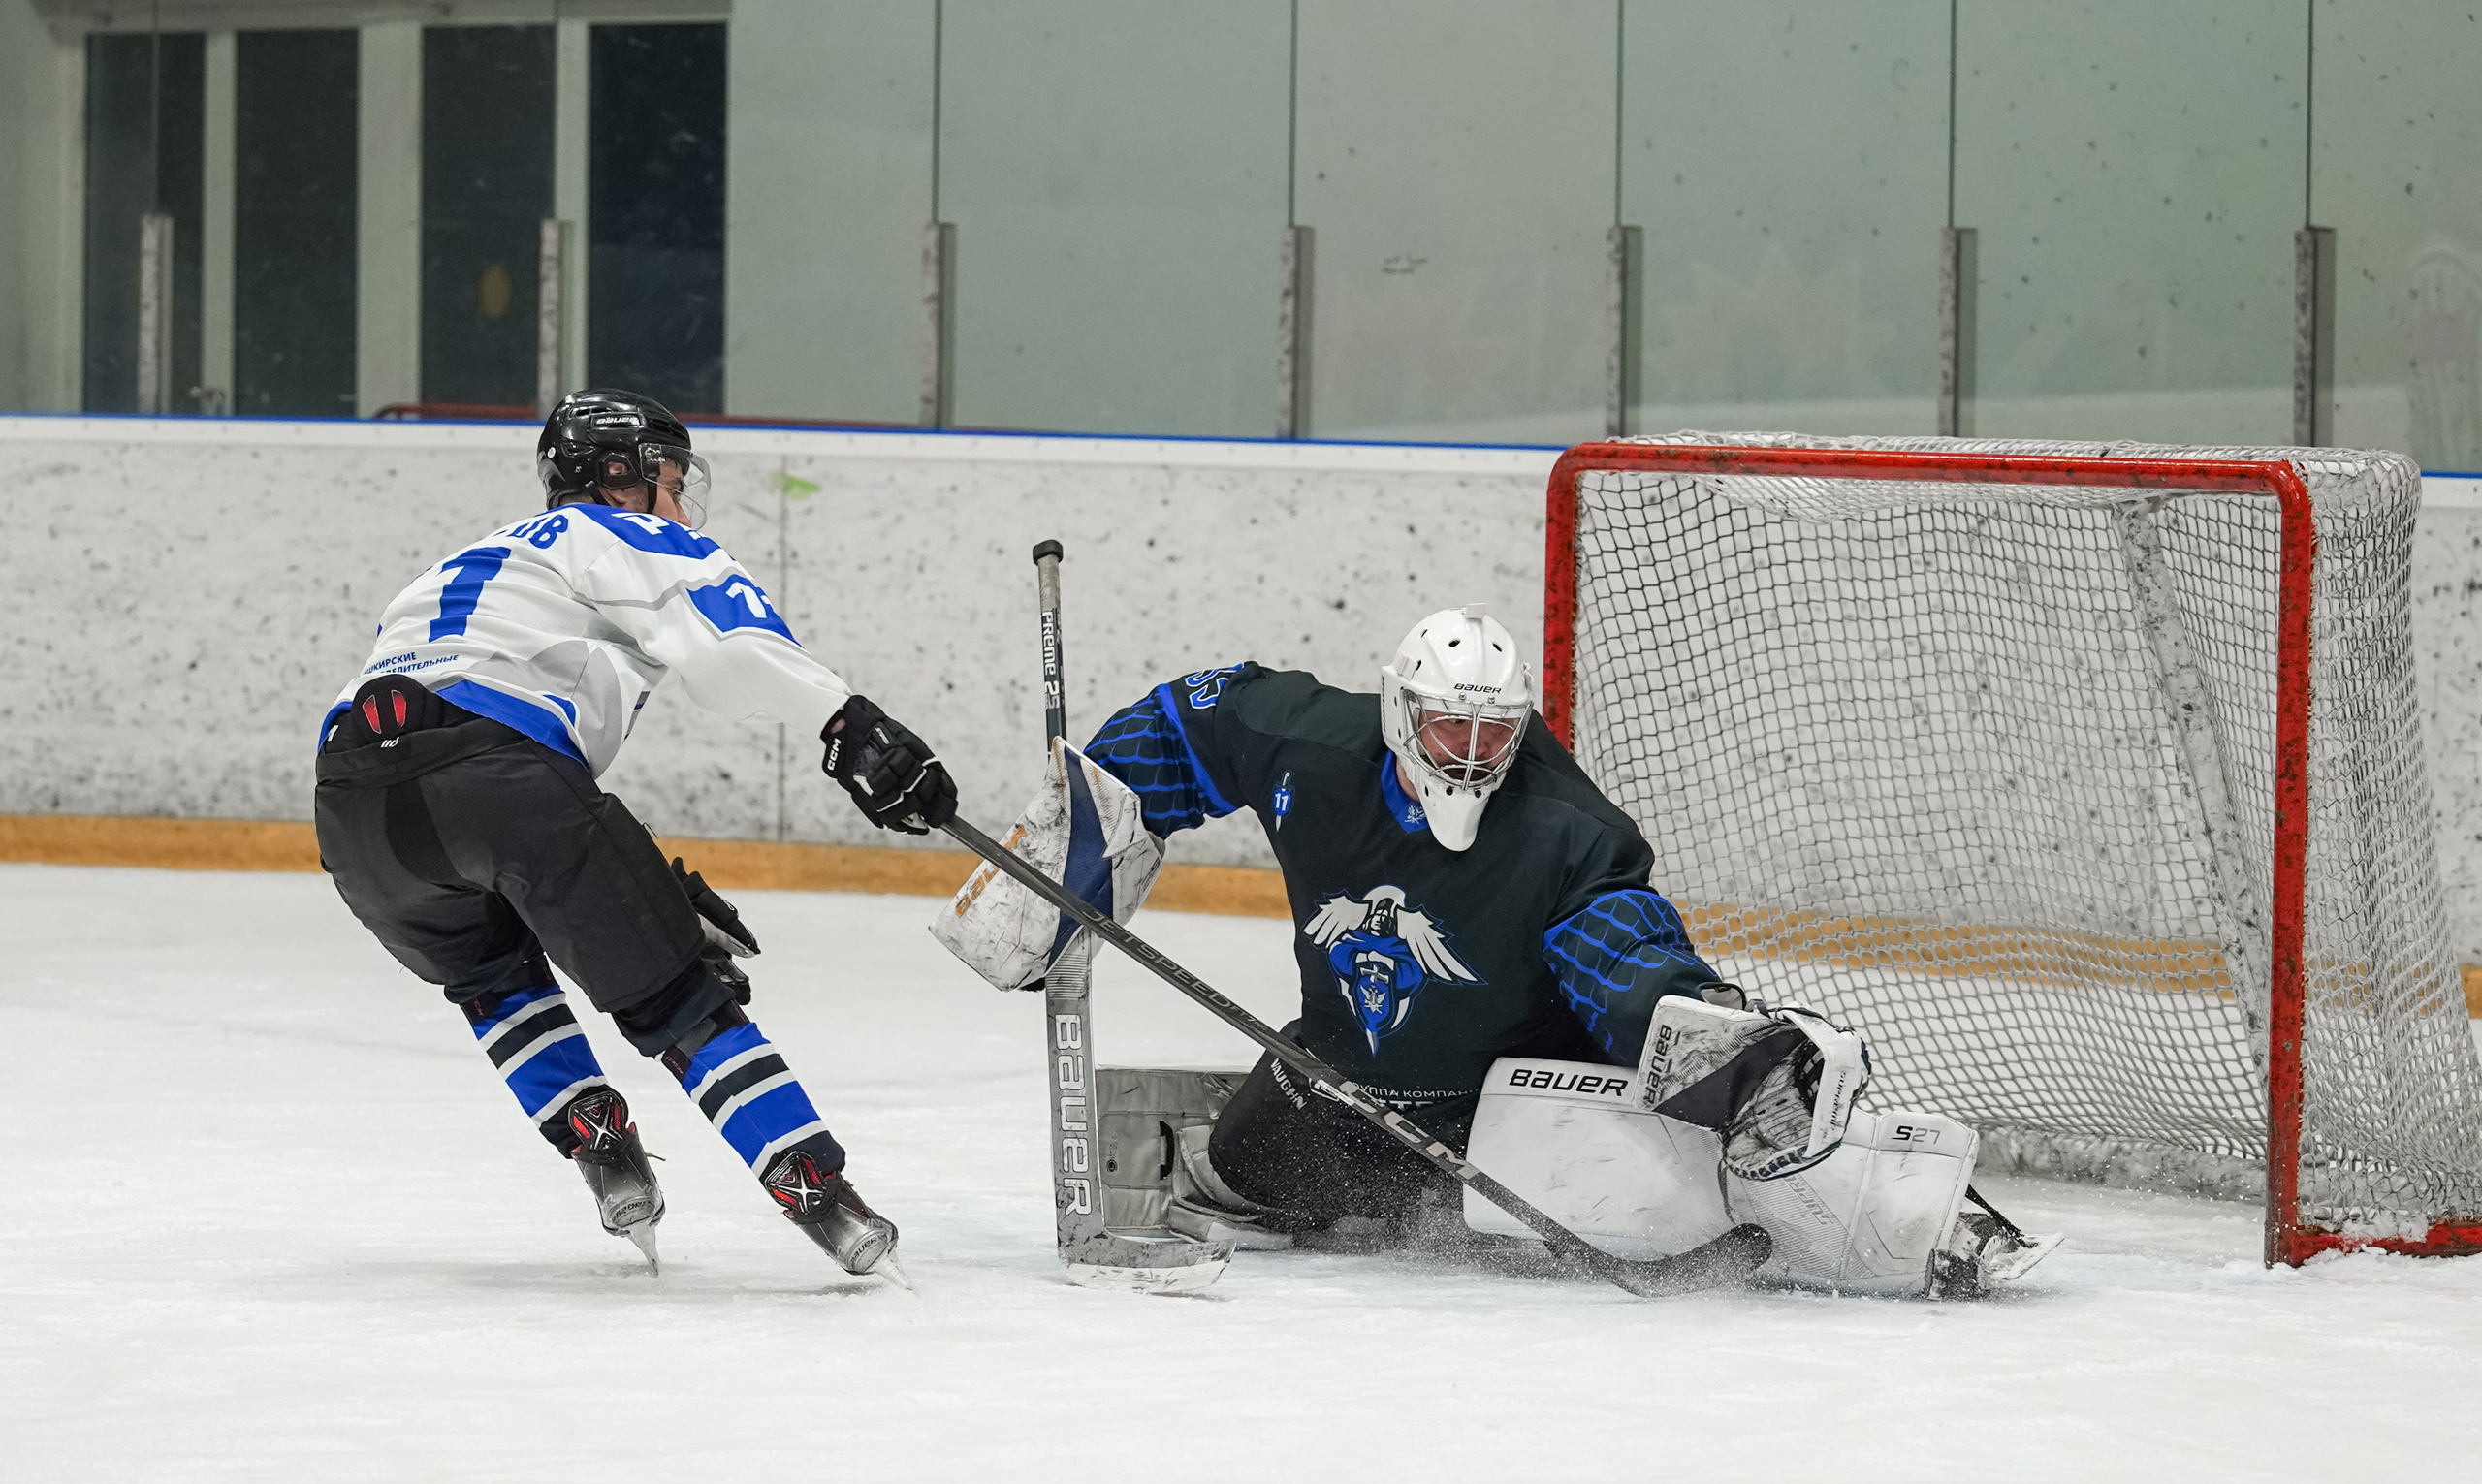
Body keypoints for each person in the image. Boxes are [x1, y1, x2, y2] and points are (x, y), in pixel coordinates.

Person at [311, 389, 955, 1279]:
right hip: (502, 780)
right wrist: (848, 723)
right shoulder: (612, 532)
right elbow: (725, 644)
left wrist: (618, 869)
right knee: (679, 992)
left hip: (351, 808)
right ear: (621, 476)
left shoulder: (455, 569)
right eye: (673, 481)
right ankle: (818, 1193)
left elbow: (450, 757)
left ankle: (595, 1138)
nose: (682, 506)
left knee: (490, 975)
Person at [1078, 605, 1735, 1248]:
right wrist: (1081, 822)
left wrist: (1716, 1045)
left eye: (1495, 731)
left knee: (1642, 1203)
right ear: (1400, 711)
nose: (1472, 754)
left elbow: (1624, 955)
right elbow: (1190, 726)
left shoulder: (1567, 828)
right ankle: (1341, 1181)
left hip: (1506, 1109)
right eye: (1451, 726)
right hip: (1339, 1092)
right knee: (1243, 1167)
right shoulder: (1312, 747)